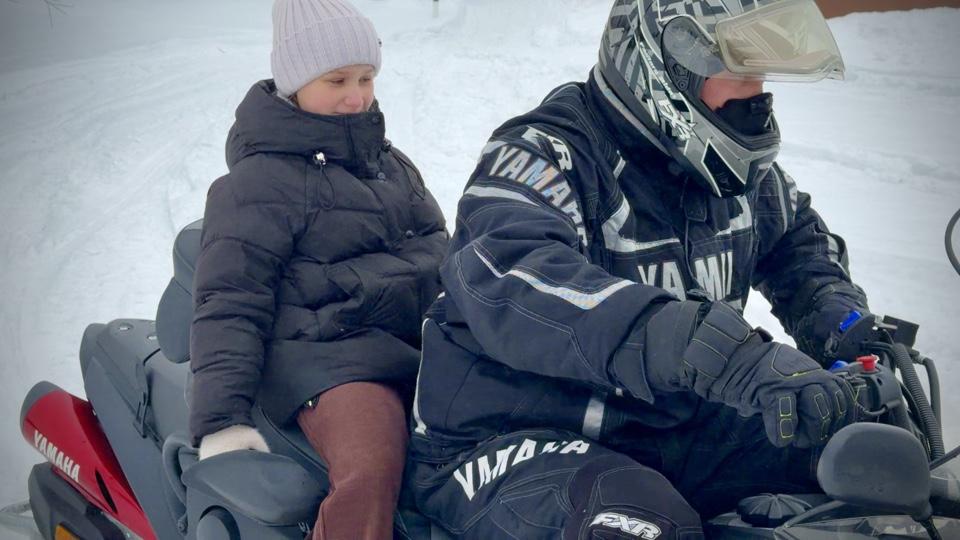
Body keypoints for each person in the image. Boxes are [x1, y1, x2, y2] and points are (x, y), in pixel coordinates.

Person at [406, 0, 884, 538]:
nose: (756, 96)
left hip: (665, 425)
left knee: (866, 456)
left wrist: (846, 328)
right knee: (639, 525)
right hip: (509, 434)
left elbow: (799, 248)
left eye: (761, 73)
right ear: (665, 67)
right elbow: (516, 279)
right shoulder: (544, 155)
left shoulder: (730, 171)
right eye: (737, 70)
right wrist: (717, 352)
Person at [187, 1, 448, 538]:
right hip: (329, 364)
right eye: (337, 80)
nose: (357, 96)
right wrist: (221, 422)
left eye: (366, 78)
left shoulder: (390, 165)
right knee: (371, 467)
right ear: (294, 83)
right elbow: (229, 302)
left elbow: (442, 254)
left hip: (419, 348)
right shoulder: (256, 185)